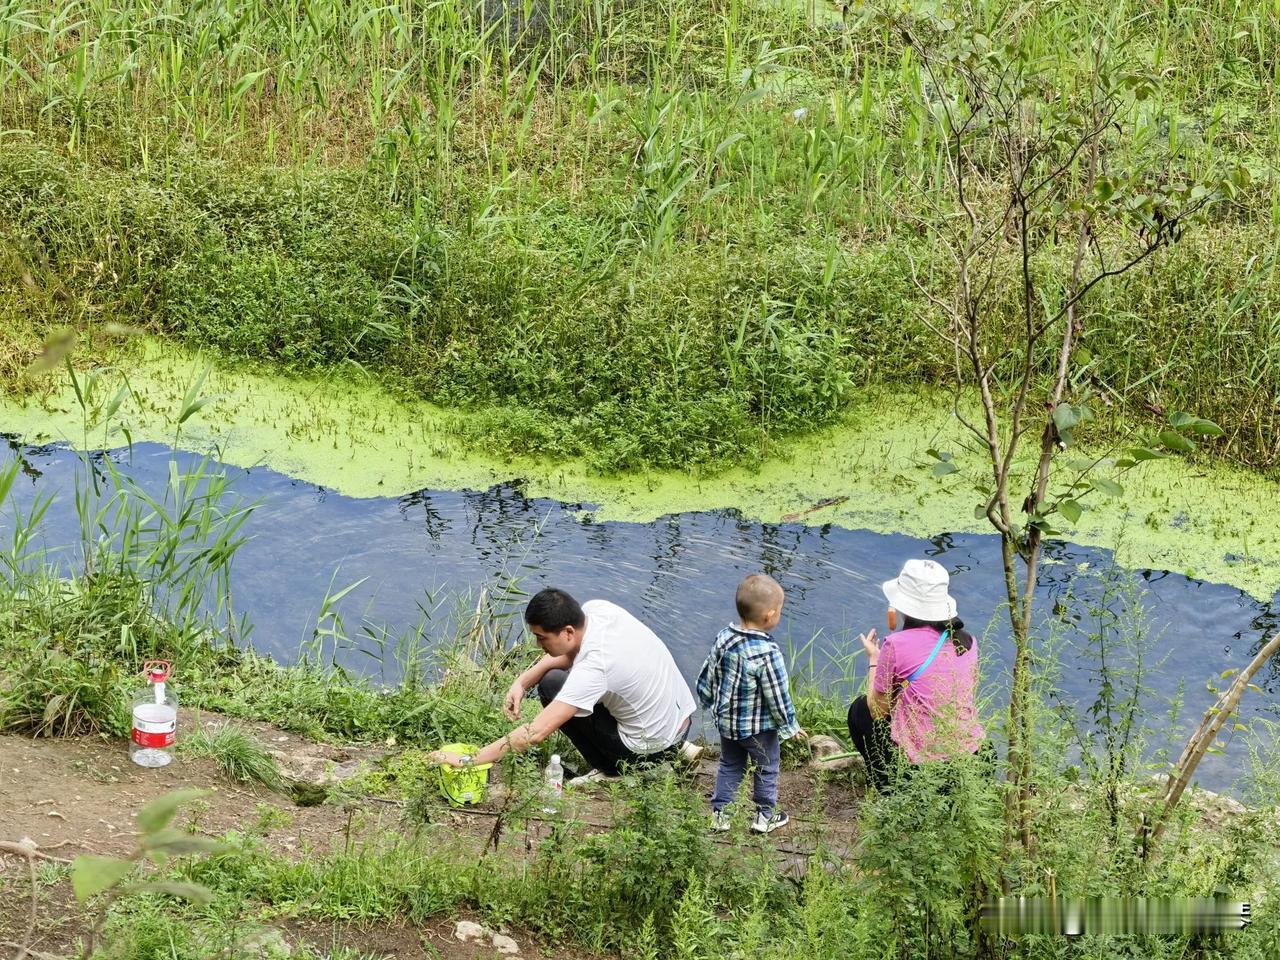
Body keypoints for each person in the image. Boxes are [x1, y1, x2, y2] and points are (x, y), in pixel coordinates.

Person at [429, 588, 697, 780]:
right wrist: (522, 681)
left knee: (552, 686)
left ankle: (613, 770)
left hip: (649, 748)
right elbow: (569, 655)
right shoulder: (598, 610)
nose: (538, 645)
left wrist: (469, 761)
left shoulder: (596, 667)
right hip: (679, 721)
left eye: (542, 638)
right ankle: (674, 749)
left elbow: (535, 733)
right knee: (553, 677)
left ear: (568, 631)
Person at [847, 558, 985, 792]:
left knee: (860, 711)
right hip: (968, 754)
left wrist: (874, 660)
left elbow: (878, 709)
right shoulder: (968, 641)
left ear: (901, 605)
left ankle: (890, 789)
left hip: (923, 766)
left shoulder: (896, 645)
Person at [696, 573, 806, 834]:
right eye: (779, 611)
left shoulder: (724, 637)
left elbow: (708, 672)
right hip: (759, 729)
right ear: (769, 616)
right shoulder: (767, 652)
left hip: (727, 723)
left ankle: (720, 815)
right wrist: (790, 726)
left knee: (730, 764)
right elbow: (777, 695)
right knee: (767, 767)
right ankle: (765, 816)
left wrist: (706, 697)